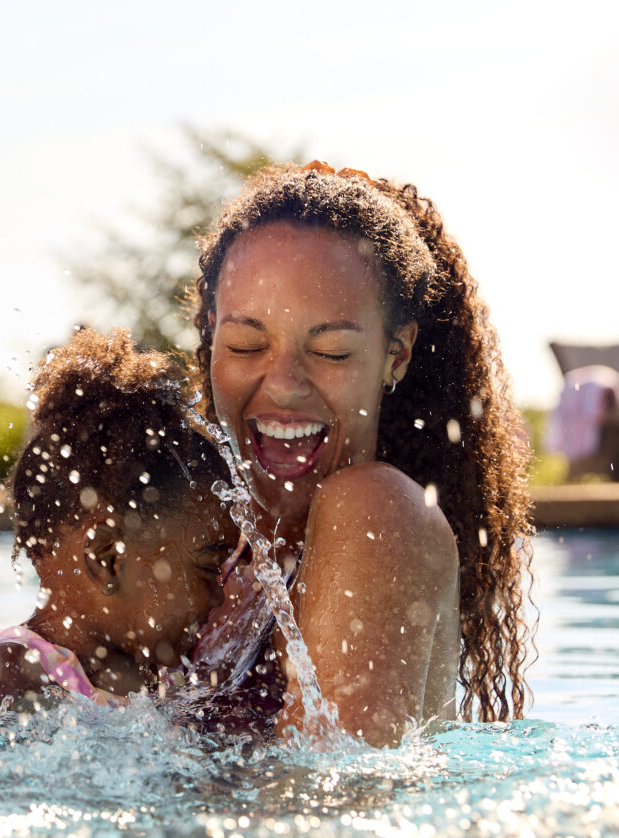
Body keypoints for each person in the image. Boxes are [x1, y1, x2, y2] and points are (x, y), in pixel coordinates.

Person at [188, 162, 534, 745]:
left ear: (395, 355)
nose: (283, 384)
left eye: (331, 351)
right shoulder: (220, 549)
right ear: (210, 337)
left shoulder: (375, 511)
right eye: (247, 344)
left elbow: (328, 805)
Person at [0, 328, 236, 760]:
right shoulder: (16, 671)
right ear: (107, 559)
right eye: (209, 567)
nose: (221, 594)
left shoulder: (160, 675)